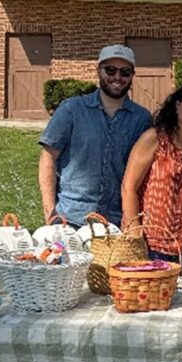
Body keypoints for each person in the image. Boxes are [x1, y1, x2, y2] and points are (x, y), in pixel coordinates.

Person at [39, 45, 152, 228]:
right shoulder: (71, 109)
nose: (117, 77)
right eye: (110, 70)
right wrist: (49, 212)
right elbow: (48, 157)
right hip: (71, 220)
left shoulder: (142, 119)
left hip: (117, 224)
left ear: (132, 75)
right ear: (98, 70)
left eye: (125, 72)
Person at [121, 82, 182, 261]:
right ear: (177, 105)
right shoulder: (155, 138)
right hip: (153, 244)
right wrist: (135, 235)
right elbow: (129, 187)